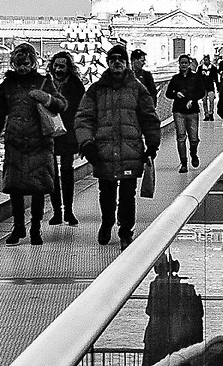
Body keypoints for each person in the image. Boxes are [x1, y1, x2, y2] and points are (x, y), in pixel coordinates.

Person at [71, 43, 161, 246]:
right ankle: (107, 222)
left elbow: (149, 117)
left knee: (128, 193)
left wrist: (152, 145)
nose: (117, 63)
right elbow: (84, 117)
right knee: (106, 191)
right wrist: (86, 142)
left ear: (126, 63)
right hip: (104, 149)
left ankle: (126, 230)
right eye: (113, 60)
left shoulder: (138, 88)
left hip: (130, 149)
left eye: (121, 59)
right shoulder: (96, 90)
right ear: (108, 63)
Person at [0, 45, 61, 245]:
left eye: (26, 64)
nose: (22, 68)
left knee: (38, 188)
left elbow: (61, 105)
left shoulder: (44, 82)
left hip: (40, 142)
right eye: (18, 64)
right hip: (15, 142)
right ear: (13, 64)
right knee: (15, 188)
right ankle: (19, 227)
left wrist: (46, 98)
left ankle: (35, 228)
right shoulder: (7, 85)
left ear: (33, 63)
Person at [44, 50, 85, 225]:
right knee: (52, 172)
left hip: (68, 132)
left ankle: (68, 210)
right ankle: (57, 212)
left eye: (62, 65)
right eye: (56, 65)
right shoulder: (46, 83)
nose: (59, 69)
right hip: (49, 132)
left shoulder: (76, 84)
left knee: (67, 170)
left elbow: (82, 108)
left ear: (68, 67)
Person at [144, 253, 206, 365]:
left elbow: (149, 310)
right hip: (172, 335)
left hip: (157, 334)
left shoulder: (155, 285)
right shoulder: (183, 288)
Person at [165, 56, 213, 171]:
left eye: (186, 63)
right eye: (182, 63)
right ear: (179, 64)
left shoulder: (196, 77)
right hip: (178, 111)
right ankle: (184, 163)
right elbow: (168, 94)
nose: (184, 65)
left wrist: (193, 100)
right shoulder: (175, 79)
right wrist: (176, 94)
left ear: (189, 64)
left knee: (194, 138)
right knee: (181, 137)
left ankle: (193, 153)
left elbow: (201, 92)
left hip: (193, 111)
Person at [129, 50, 158, 199]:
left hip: (140, 115)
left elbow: (152, 93)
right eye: (141, 60)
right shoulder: (125, 76)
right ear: (133, 60)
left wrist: (149, 110)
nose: (143, 63)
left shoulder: (146, 76)